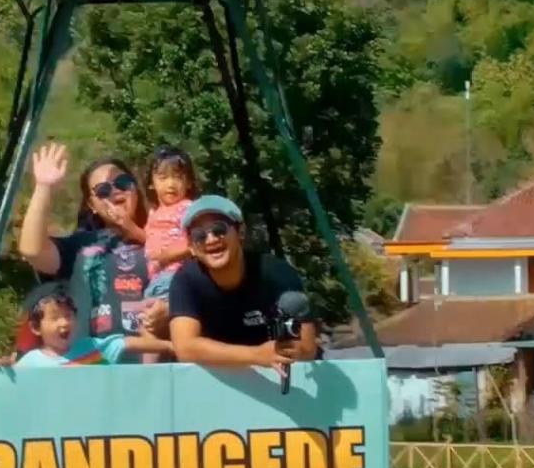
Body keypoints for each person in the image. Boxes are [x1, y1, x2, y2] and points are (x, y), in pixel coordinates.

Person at [16, 144, 164, 351]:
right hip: (90, 365)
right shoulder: (79, 244)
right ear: (92, 205)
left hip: (159, 366)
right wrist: (44, 187)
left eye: (122, 182)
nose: (115, 190)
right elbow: (32, 249)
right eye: (103, 190)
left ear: (135, 190)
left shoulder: (167, 235)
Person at [167, 195, 318, 370]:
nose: (211, 239)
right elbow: (185, 348)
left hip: (279, 379)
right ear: (191, 247)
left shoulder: (277, 273)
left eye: (219, 229)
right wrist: (256, 355)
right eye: (199, 235)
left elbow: (307, 348)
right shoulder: (185, 280)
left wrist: (290, 350)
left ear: (241, 232)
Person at [16, 285, 172, 367]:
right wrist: (4, 369)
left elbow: (126, 343)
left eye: (68, 316)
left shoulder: (92, 347)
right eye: (55, 318)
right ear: (36, 327)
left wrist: (170, 346)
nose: (64, 322)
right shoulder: (31, 363)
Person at [142, 145, 200, 300]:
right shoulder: (154, 213)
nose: (171, 184)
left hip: (177, 275)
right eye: (163, 178)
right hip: (156, 280)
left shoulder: (187, 208)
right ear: (151, 183)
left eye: (178, 177)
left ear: (188, 182)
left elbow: (195, 241)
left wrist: (165, 256)